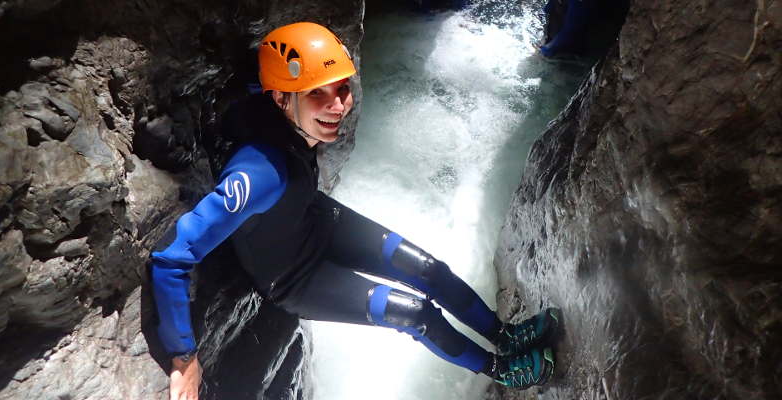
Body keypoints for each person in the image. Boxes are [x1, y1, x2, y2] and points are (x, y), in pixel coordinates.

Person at [150, 22, 562, 400]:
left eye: (341, 88)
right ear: (280, 97)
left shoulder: (275, 104)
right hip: (295, 277)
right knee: (415, 314)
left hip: (312, 218)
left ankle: (503, 335)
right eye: (318, 93)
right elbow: (171, 258)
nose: (338, 106)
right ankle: (502, 369)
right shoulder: (259, 174)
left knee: (429, 269)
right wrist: (183, 358)